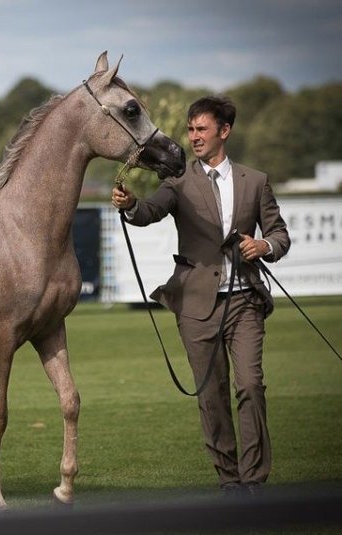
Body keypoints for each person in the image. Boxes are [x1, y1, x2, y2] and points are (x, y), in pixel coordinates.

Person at [111, 95, 290, 496]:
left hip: (244, 301)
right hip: (195, 306)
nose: (193, 137)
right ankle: (229, 481)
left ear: (224, 131)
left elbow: (279, 235)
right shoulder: (177, 182)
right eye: (190, 130)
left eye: (201, 129)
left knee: (250, 385)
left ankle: (256, 482)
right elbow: (150, 212)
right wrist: (130, 205)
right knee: (211, 396)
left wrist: (265, 247)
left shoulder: (256, 181)